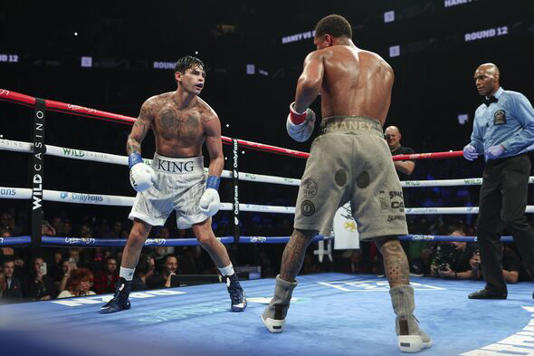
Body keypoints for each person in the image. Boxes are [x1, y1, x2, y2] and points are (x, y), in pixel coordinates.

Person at [262, 14, 431, 352]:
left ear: (325, 39)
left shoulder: (321, 56)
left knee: (303, 231)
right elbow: (378, 114)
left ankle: (278, 309)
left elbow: (309, 85)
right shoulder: (384, 65)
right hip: (375, 144)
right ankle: (407, 327)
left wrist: (297, 113)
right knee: (388, 239)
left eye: (315, 42)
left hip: (334, 140)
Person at [100, 55, 246, 313]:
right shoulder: (154, 105)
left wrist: (212, 187)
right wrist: (135, 163)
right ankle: (122, 293)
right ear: (179, 76)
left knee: (205, 236)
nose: (201, 78)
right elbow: (134, 139)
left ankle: (234, 286)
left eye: (203, 74)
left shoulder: (207, 115)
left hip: (192, 178)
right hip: (158, 173)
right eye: (194, 73)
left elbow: (217, 157)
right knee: (137, 234)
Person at [463, 63, 534, 299]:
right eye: (475, 78)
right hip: (491, 169)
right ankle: (494, 287)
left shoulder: (514, 99)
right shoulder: (480, 111)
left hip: (515, 163)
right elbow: (477, 140)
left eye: (482, 77)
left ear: (496, 77)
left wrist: (504, 146)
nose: (477, 81)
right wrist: (471, 148)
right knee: (485, 228)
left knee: (514, 218)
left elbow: (532, 127)